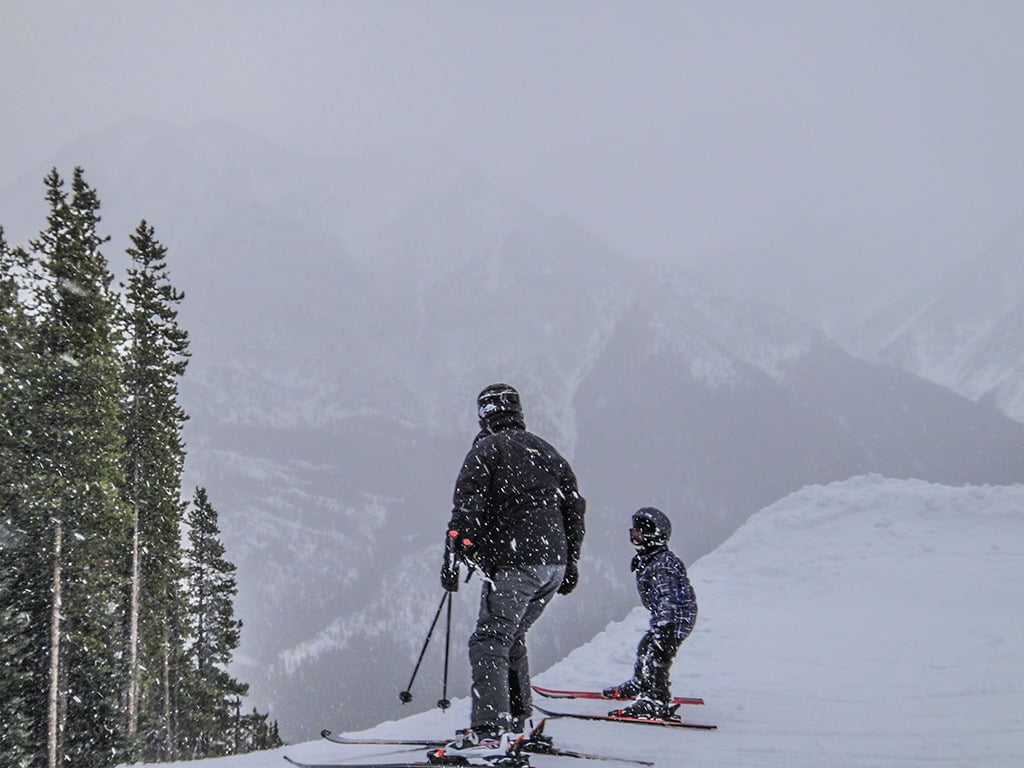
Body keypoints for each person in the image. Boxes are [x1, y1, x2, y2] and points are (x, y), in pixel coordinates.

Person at [442, 383, 585, 754]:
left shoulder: (486, 450)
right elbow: (574, 507)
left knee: (489, 640)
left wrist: (453, 557)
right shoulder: (547, 451)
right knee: (512, 635)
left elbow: (466, 508)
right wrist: (571, 561)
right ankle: (517, 722)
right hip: (552, 564)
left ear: (484, 414)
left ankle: (491, 730)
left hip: (516, 561)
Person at [602, 506, 697, 720]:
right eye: (634, 531)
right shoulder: (651, 559)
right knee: (646, 647)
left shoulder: (662, 565)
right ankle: (641, 683)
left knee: (658, 655)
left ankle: (656, 699)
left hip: (674, 619)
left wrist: (666, 626)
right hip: (666, 617)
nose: (635, 536)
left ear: (655, 535)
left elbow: (668, 596)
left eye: (640, 532)